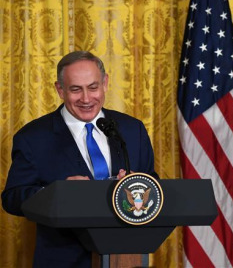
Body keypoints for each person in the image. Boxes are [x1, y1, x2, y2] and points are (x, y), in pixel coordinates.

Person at [1, 51, 158, 268]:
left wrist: (135, 183)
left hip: (126, 257)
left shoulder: (132, 129)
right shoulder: (33, 137)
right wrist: (55, 193)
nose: (86, 99)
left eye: (93, 87)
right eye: (76, 89)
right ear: (60, 89)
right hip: (63, 260)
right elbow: (12, 198)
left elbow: (154, 184)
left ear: (105, 83)